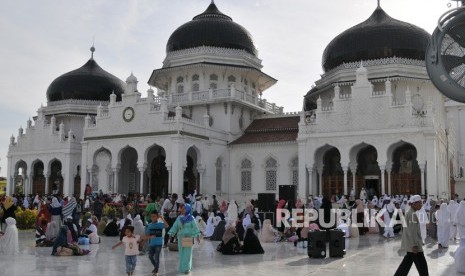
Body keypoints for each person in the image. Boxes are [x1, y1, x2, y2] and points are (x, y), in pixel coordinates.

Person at [394, 195, 429, 276]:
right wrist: (414, 245)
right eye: (419, 203)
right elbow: (411, 231)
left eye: (421, 203)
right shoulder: (412, 214)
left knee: (406, 264)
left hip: (411, 245)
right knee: (422, 266)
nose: (421, 205)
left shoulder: (409, 213)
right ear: (414, 204)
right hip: (414, 246)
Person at [168, 203, 201, 274]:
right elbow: (175, 226)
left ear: (188, 209)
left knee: (187, 253)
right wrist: (171, 234)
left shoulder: (191, 218)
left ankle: (187, 268)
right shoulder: (179, 218)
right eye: (182, 208)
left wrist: (197, 236)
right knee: (181, 253)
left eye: (184, 208)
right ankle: (182, 268)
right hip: (180, 237)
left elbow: (195, 228)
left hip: (188, 237)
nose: (182, 209)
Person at [144, 210, 169, 276]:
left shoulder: (160, 224)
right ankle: (156, 267)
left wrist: (162, 218)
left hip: (159, 244)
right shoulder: (149, 225)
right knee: (150, 256)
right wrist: (150, 236)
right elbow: (146, 236)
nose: (152, 218)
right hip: (151, 244)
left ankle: (156, 271)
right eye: (151, 216)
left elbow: (167, 226)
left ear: (157, 217)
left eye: (154, 216)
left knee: (157, 257)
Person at [454, 200, 465, 273]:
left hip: (461, 228)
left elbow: (456, 219)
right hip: (463, 227)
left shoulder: (458, 209)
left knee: (462, 239)